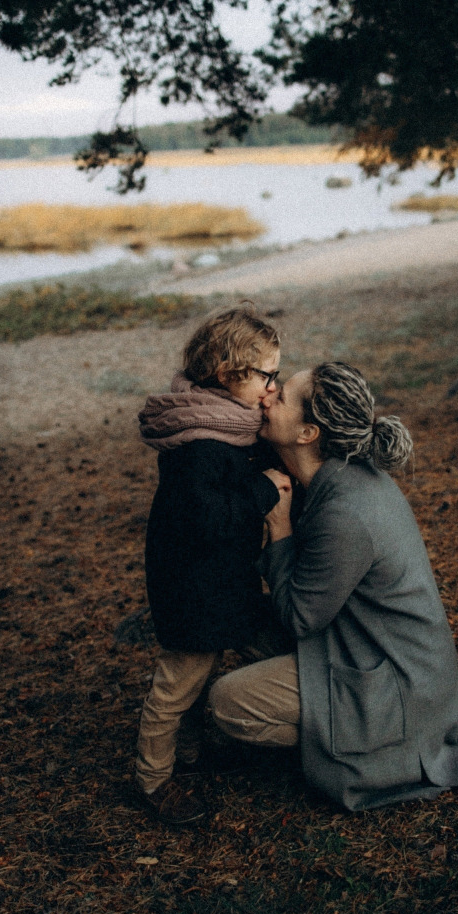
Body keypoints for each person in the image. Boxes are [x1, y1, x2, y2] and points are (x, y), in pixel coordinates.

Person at [209, 362, 458, 811]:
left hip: (398, 685)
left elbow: (299, 618)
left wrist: (280, 528)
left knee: (227, 702)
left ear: (308, 433)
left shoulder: (346, 511)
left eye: (281, 396)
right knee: (238, 620)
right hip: (367, 646)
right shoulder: (337, 477)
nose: (266, 396)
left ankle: (371, 748)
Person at [134, 306, 291, 826]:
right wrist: (264, 489)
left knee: (243, 653)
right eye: (268, 376)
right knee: (178, 683)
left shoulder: (225, 423)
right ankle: (154, 780)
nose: (274, 388)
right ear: (229, 376)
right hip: (193, 588)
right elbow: (208, 519)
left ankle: (193, 753)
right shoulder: (200, 445)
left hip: (226, 582)